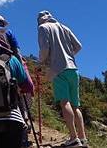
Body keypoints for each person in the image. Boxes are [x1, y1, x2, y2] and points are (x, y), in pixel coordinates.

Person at [37, 10, 88, 148]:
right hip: (73, 69)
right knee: (75, 105)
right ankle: (83, 138)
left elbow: (44, 49)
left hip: (58, 69)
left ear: (40, 20)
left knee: (64, 102)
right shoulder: (64, 27)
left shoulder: (43, 28)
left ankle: (73, 138)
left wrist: (40, 62)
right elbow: (78, 46)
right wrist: (69, 55)